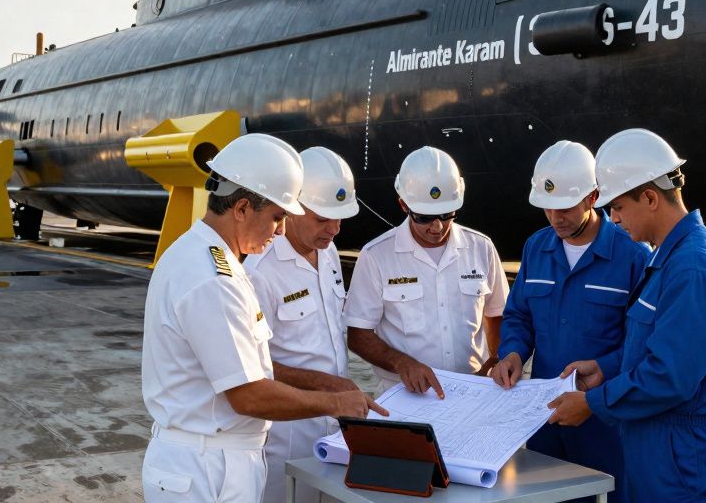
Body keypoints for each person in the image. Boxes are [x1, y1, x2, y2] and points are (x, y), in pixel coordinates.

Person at [141, 134, 385, 503]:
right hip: (207, 466)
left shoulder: (206, 258)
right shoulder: (212, 279)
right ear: (240, 209)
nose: (282, 229)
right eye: (276, 217)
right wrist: (336, 402)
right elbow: (249, 395)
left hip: (216, 457)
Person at [547, 128, 706, 502]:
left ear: (651, 197)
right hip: (656, 445)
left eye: (619, 207)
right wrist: (606, 366)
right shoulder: (669, 256)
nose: (615, 220)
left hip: (686, 458)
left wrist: (593, 403)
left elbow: (670, 376)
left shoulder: (695, 269)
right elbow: (655, 346)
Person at [491, 141, 648, 503]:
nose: (555, 217)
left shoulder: (632, 254)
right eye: (547, 208)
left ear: (593, 197)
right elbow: (519, 314)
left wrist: (606, 369)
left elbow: (645, 340)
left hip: (605, 418)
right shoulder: (537, 247)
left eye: (564, 207)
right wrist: (512, 353)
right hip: (545, 419)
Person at [245, 147, 361, 503]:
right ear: (293, 208)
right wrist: (326, 385)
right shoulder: (259, 271)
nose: (334, 229)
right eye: (323, 218)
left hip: (335, 427)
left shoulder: (327, 252)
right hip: (287, 434)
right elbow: (252, 368)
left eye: (340, 219)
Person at [345, 146, 509, 396]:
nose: (437, 226)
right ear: (403, 204)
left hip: (473, 393)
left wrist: (495, 359)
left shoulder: (481, 247)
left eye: (447, 214)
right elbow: (357, 335)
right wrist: (402, 363)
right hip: (405, 397)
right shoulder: (376, 256)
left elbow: (498, 314)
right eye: (425, 217)